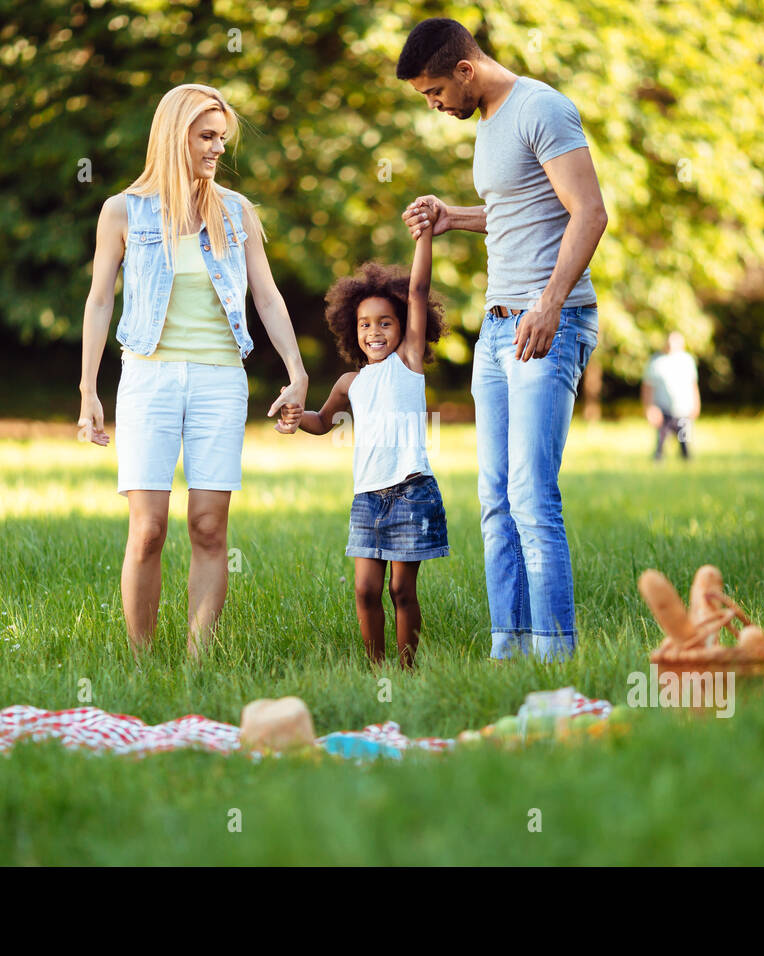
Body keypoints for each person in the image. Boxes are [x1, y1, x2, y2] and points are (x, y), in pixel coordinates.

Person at [396, 18, 608, 662]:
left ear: (465, 69)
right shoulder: (487, 123)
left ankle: (554, 652)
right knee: (494, 499)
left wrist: (548, 306)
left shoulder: (542, 108)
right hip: (496, 332)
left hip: (549, 321)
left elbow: (589, 212)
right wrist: (450, 216)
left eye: (434, 92)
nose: (434, 107)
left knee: (530, 495)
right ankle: (509, 648)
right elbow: (520, 208)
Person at [77, 84, 308, 659]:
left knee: (208, 527)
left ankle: (199, 664)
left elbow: (268, 296)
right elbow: (99, 301)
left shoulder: (236, 211)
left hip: (219, 379)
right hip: (148, 378)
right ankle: (141, 663)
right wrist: (88, 390)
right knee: (148, 529)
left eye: (221, 139)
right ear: (173, 134)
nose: (216, 150)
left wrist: (297, 371)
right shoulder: (121, 211)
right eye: (206, 137)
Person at [296, 202, 449, 668]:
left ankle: (406, 668)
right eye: (365, 324)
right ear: (352, 329)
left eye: (385, 322)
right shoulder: (351, 383)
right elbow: (322, 422)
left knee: (402, 589)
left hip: (410, 492)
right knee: (365, 589)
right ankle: (375, 667)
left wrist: (424, 236)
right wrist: (291, 415)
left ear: (402, 326)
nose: (375, 331)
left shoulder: (408, 362)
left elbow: (419, 290)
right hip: (367, 497)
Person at [641, 331, 700, 461]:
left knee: (685, 444)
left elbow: (693, 385)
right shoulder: (656, 361)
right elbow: (648, 387)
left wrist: (696, 405)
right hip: (663, 410)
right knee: (660, 445)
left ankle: (687, 467)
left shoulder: (687, 361)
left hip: (683, 410)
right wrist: (649, 408)